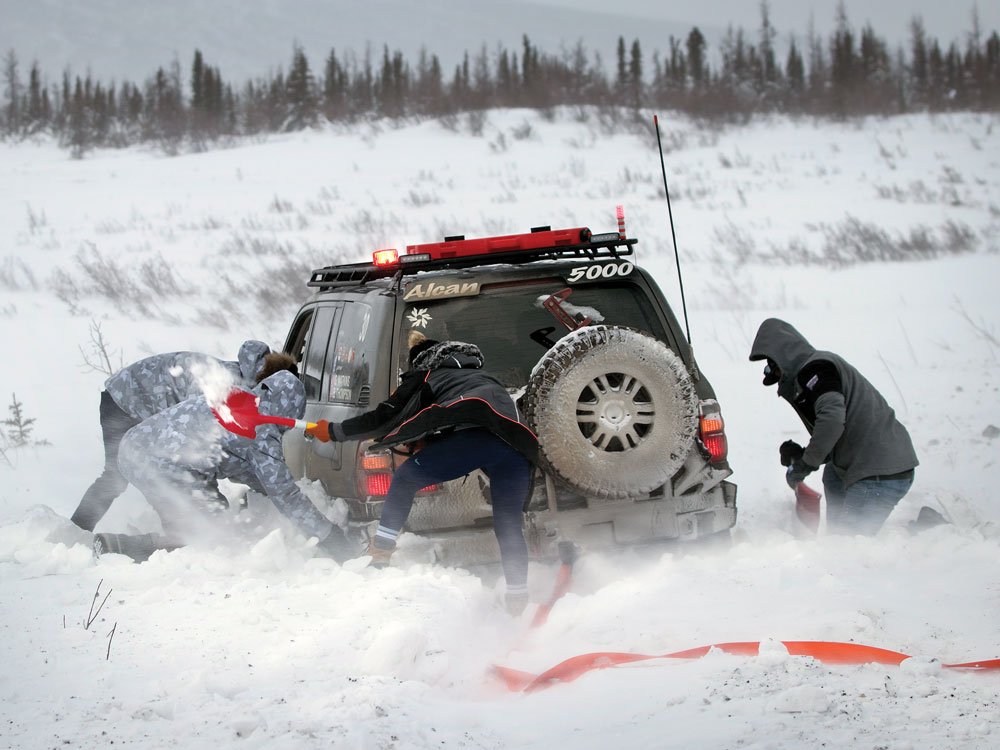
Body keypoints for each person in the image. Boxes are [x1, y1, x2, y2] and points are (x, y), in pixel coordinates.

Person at [306, 331, 539, 614]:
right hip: (518, 447)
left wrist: (334, 431)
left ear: (421, 362)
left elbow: (383, 417)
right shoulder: (482, 376)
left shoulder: (426, 375)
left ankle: (380, 550)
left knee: (404, 479)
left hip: (477, 438)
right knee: (508, 523)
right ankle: (518, 600)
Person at [104, 369, 353, 561]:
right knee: (205, 533)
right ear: (289, 409)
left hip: (136, 447)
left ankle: (168, 558)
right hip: (155, 465)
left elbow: (248, 467)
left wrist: (266, 490)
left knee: (206, 516)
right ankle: (116, 548)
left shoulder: (236, 398)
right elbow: (284, 494)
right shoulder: (260, 430)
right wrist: (329, 536)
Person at [71, 340, 288, 532]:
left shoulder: (240, 379)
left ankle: (176, 535)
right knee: (118, 477)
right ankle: (76, 532)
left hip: (137, 400)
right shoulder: (223, 385)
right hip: (124, 402)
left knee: (164, 475)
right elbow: (192, 446)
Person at [749, 318, 919, 535]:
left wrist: (806, 463)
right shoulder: (812, 372)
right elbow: (837, 431)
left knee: (849, 545)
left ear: (782, 356)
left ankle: (928, 537)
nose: (774, 374)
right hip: (862, 463)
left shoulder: (816, 371)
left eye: (772, 366)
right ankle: (837, 542)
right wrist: (803, 455)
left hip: (880, 470)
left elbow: (832, 421)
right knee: (832, 478)